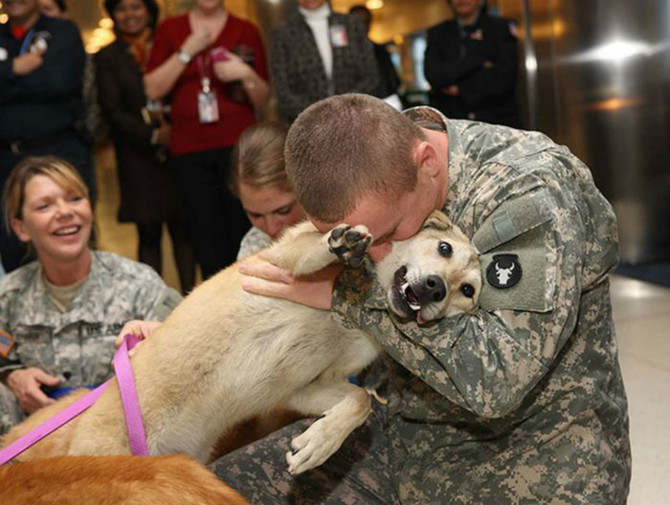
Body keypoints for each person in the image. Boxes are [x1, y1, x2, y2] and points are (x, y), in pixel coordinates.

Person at [209, 93, 631, 504]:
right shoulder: (369, 170)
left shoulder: (527, 191)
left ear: (426, 163)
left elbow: (498, 382)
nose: (376, 253)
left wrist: (347, 295)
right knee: (196, 491)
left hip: (539, 463)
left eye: (387, 234)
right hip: (405, 440)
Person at [0, 156, 182, 435]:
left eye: (75, 198)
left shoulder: (139, 285)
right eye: (45, 205)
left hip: (127, 447)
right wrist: (13, 376)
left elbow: (188, 353)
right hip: (37, 454)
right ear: (21, 227)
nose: (65, 212)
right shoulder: (8, 297)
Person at [144, 0, 270, 280]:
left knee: (246, 231)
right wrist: (186, 52)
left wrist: (244, 73)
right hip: (190, 149)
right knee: (203, 234)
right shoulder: (170, 29)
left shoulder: (245, 29)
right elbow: (153, 87)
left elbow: (262, 96)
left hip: (239, 149)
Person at [96, 0, 196, 295]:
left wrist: (174, 130)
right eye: (122, 9)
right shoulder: (107, 57)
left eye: (136, 7)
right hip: (137, 156)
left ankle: (189, 296)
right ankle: (151, 301)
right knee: (148, 231)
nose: (130, 15)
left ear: (149, 11)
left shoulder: (170, 46)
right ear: (112, 14)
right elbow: (111, 110)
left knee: (184, 230)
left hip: (179, 149)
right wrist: (152, 136)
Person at [0, 0, 94, 273]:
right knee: (12, 242)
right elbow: (44, 83)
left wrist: (6, 83)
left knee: (68, 237)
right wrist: (16, 68)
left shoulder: (63, 32)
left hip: (57, 151)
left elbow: (58, 81)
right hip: (6, 160)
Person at [270, 0, 379, 123]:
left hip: (356, 118)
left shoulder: (352, 25)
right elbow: (282, 88)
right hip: (309, 124)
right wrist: (315, 114)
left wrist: (346, 107)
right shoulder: (284, 33)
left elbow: (370, 76)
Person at [424, 0, 521, 128]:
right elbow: (434, 74)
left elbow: (505, 76)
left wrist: (460, 89)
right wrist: (478, 62)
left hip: (497, 122)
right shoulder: (437, 33)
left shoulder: (500, 28)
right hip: (451, 123)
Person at [230, 122, 305, 260]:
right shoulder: (254, 248)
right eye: (255, 215)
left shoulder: (344, 232)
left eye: (283, 211)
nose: (271, 229)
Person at [348, 4, 402, 105]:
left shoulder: (380, 50)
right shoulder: (341, 53)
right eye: (357, 22)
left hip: (381, 105)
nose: (362, 26)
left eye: (365, 21)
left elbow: (393, 80)